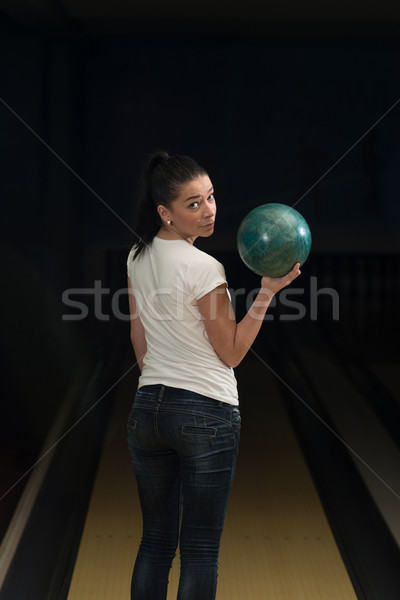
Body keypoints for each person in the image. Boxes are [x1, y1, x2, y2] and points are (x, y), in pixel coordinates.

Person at [126, 150, 300, 600]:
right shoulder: (204, 268)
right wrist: (266, 294)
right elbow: (232, 352)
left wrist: (159, 381)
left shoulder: (137, 256)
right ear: (165, 212)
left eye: (211, 197)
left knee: (155, 543)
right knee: (200, 550)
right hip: (206, 414)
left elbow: (137, 328)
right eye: (193, 204)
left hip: (147, 413)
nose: (209, 211)